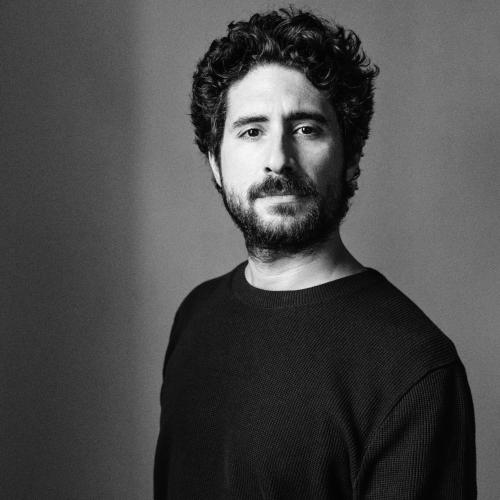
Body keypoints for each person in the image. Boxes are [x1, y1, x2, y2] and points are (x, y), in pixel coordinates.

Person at [154, 7, 476, 499]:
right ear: (215, 163)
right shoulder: (195, 315)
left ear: (351, 157)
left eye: (306, 129)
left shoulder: (413, 367)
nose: (278, 159)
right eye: (252, 130)